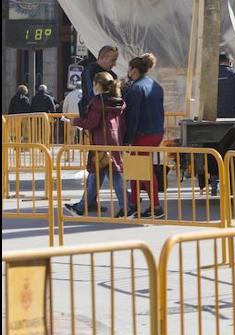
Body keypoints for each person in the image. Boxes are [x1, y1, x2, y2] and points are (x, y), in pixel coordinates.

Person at [64, 72, 128, 217]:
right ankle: (82, 206)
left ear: (98, 84)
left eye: (94, 83)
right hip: (114, 140)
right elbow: (122, 124)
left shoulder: (97, 102)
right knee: (100, 174)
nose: (93, 86)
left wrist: (75, 121)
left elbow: (91, 123)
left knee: (107, 174)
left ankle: (126, 207)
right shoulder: (117, 101)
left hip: (101, 142)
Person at [122, 53, 165, 218]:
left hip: (142, 134)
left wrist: (128, 139)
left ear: (134, 70)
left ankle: (156, 207)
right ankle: (134, 202)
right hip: (156, 132)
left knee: (143, 170)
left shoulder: (135, 89)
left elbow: (133, 117)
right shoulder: (156, 85)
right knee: (136, 167)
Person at [80, 46, 119, 116]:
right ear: (102, 58)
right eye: (112, 60)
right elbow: (90, 95)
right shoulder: (89, 71)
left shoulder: (113, 75)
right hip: (94, 116)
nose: (114, 64)